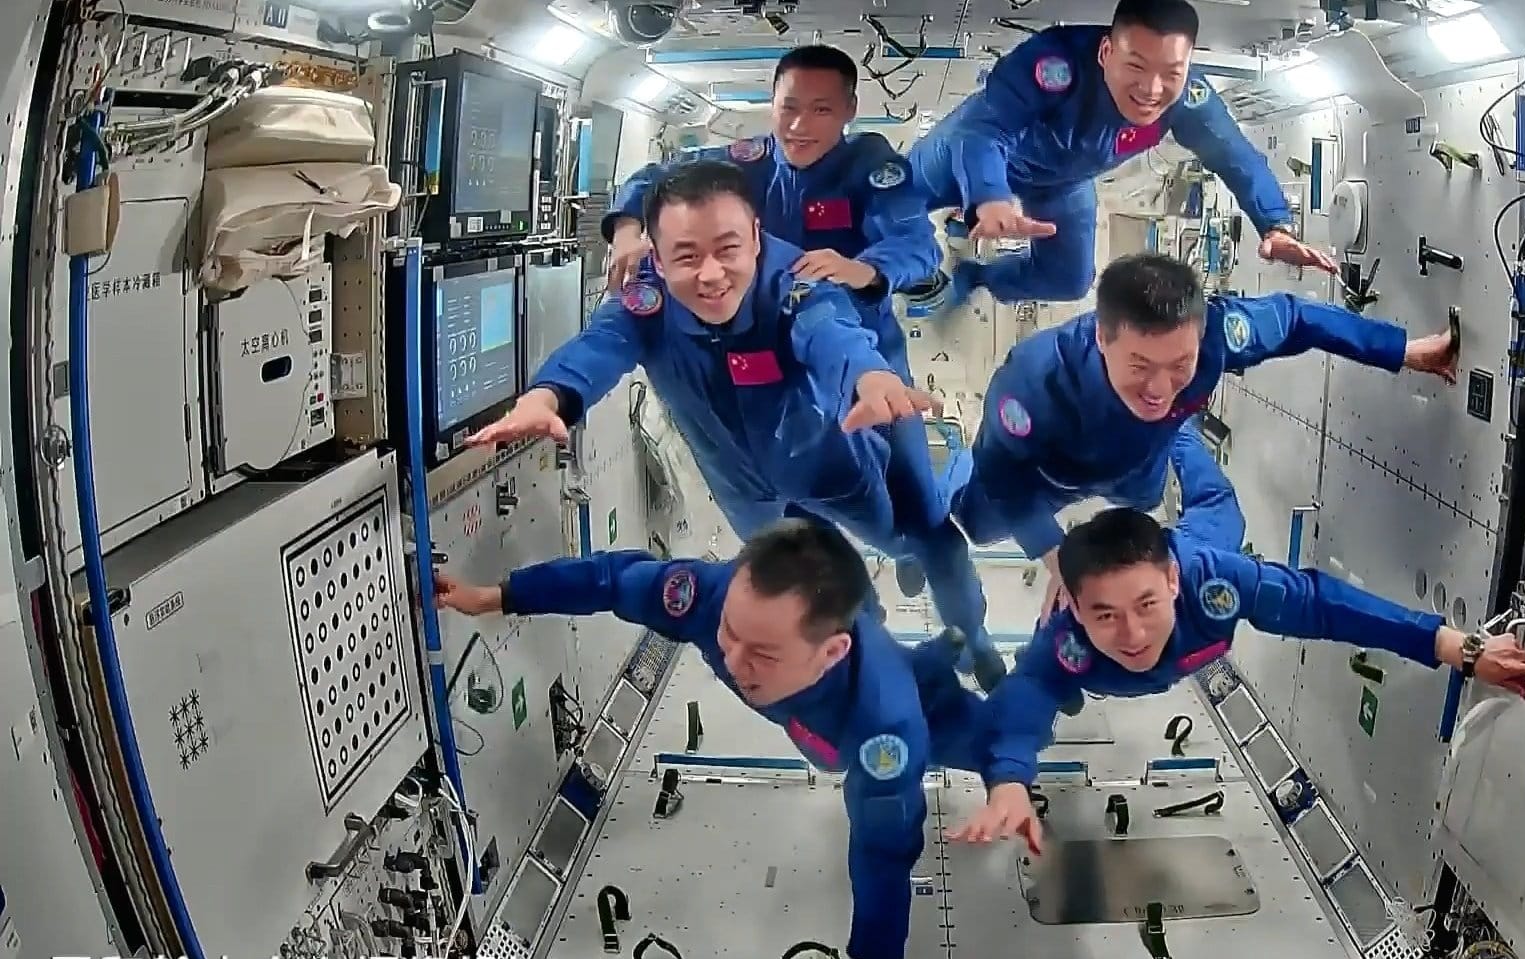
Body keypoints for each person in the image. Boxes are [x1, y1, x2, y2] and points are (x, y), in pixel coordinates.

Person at [433, 519, 987, 959]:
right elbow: (612, 580)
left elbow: (883, 850)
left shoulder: (884, 725)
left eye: (762, 654)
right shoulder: (713, 597)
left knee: (989, 745)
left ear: (831, 651)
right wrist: (498, 595)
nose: (732, 660)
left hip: (905, 713)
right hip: (815, 703)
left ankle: (951, 659)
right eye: (728, 635)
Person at [469, 159, 1003, 689]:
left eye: (728, 250)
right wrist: (549, 396)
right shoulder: (646, 299)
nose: (710, 275)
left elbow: (830, 332)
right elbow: (599, 345)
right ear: (656, 254)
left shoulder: (793, 282)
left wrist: (870, 376)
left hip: (824, 462)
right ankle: (868, 643)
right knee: (818, 586)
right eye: (686, 256)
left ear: (754, 234)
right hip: (745, 491)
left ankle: (972, 636)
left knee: (918, 539)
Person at [947, 506, 1525, 851]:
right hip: (1094, 673)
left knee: (1222, 508)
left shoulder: (1215, 583)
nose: (1131, 634)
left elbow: (1323, 605)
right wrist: (1009, 781)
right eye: (1104, 614)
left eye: (1146, 606)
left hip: (1202, 548)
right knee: (1052, 691)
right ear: (1073, 607)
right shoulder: (1066, 643)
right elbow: (1024, 701)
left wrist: (1456, 646)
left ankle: (1181, 435)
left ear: (1173, 584)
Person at [597, 48, 953, 600]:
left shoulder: (872, 169)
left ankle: (915, 551)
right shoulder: (746, 162)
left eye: (820, 110)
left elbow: (918, 247)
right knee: (783, 482)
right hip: (768, 356)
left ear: (849, 111)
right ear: (771, 104)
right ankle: (839, 594)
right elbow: (654, 178)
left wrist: (862, 268)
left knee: (913, 486)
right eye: (788, 108)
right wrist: (625, 227)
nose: (798, 126)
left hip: (859, 349)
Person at [950, 251, 1459, 611]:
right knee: (976, 523)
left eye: (1180, 364)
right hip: (1049, 474)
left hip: (1140, 466)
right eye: (1140, 364)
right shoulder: (1034, 381)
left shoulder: (1219, 332)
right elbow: (1001, 473)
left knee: (1145, 494)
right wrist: (1055, 556)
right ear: (1102, 337)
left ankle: (1176, 438)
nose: (1159, 385)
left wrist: (1403, 350)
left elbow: (1298, 318)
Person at [908, 0, 1338, 310]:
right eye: (1136, 66)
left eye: (1171, 72)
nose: (1152, 90)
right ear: (1106, 52)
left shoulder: (1187, 100)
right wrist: (989, 195)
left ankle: (976, 275)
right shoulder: (1054, 63)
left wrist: (1275, 225)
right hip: (980, 151)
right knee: (888, 202)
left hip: (1063, 182)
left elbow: (1235, 156)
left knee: (1070, 281)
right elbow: (986, 128)